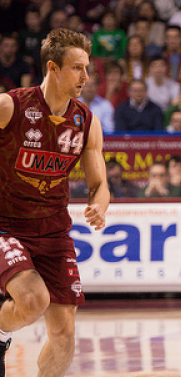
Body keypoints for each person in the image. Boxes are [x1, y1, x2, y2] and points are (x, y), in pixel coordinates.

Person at [0, 28, 109, 377]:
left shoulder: (86, 122)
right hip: (6, 225)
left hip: (53, 232)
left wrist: (100, 205)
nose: (85, 76)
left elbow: (100, 184)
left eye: (87, 68)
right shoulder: (10, 106)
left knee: (64, 335)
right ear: (53, 67)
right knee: (33, 300)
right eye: (77, 68)